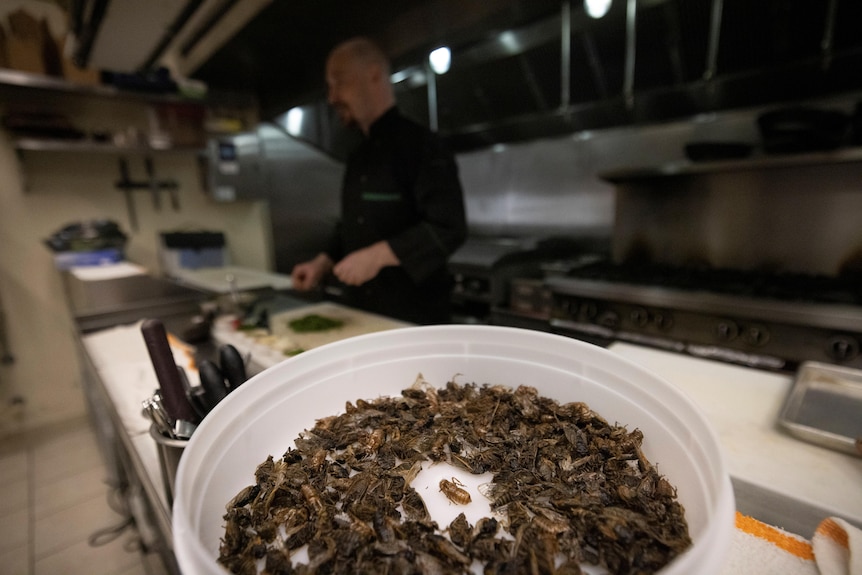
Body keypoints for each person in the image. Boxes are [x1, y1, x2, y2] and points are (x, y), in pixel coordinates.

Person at [291, 37, 467, 324]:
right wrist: (321, 263)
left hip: (413, 319)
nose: (332, 97)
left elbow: (449, 226)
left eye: (339, 82)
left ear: (373, 74)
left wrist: (377, 256)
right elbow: (351, 224)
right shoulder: (357, 153)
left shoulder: (422, 145)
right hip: (359, 314)